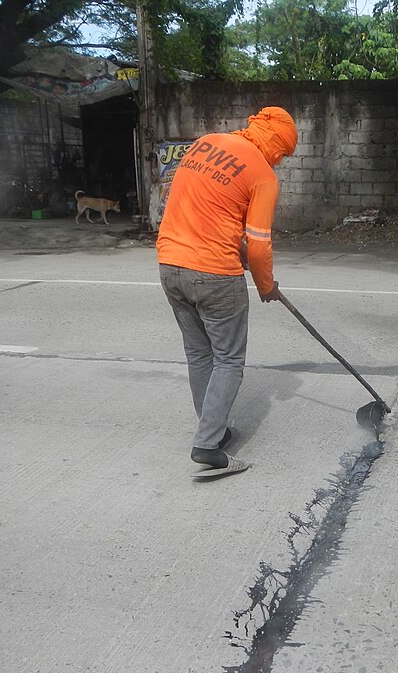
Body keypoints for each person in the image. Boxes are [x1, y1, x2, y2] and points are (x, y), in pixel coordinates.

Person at [157, 106, 298, 476]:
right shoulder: (262, 175)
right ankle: (207, 445)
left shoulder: (204, 145)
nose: (280, 162)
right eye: (283, 152)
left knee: (199, 355)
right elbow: (259, 242)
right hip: (215, 275)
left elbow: (206, 214)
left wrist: (242, 253)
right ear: (275, 141)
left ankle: (213, 432)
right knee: (228, 360)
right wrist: (266, 285)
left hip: (170, 265)